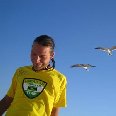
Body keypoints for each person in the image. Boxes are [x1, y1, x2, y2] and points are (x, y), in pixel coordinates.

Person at [0, 35, 67, 116]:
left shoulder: (60, 79)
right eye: (33, 54)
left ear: (52, 55)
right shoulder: (20, 71)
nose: (37, 59)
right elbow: (8, 99)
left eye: (42, 56)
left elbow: (55, 110)